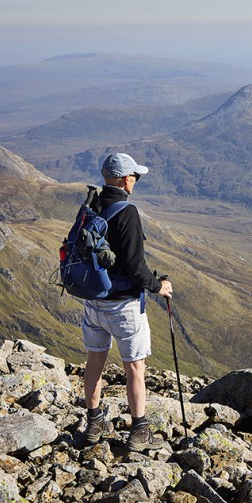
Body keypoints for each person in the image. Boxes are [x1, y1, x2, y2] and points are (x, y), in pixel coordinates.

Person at [81, 152, 173, 451]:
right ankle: (139, 432)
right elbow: (135, 265)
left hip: (94, 302)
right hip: (123, 307)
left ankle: (93, 424)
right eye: (134, 175)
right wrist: (158, 286)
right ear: (123, 179)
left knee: (95, 361)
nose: (136, 180)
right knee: (134, 368)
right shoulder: (127, 212)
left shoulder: (91, 206)